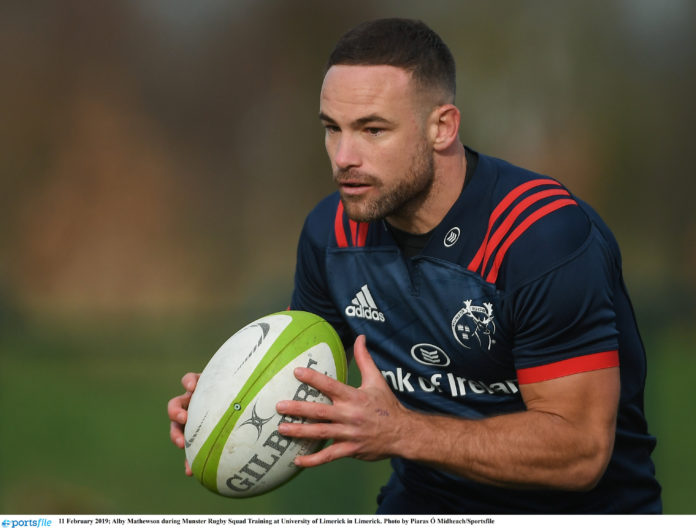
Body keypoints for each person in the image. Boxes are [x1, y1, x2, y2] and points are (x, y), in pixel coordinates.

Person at [169, 18, 661, 514]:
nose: (343, 156)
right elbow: (310, 389)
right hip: (421, 504)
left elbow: (581, 453)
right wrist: (224, 407)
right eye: (331, 129)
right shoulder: (331, 235)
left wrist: (402, 431)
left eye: (372, 129)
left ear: (441, 126)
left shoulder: (538, 237)